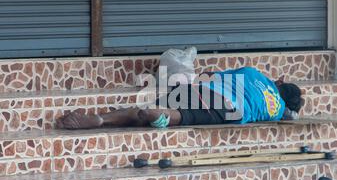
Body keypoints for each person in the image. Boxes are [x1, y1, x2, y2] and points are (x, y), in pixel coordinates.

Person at [56, 67, 304, 130]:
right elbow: (291, 116)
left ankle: (100, 119)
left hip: (207, 90)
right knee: (181, 117)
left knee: (162, 104)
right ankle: (158, 116)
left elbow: (211, 75)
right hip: (231, 109)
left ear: (278, 81)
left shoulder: (253, 72)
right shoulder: (279, 108)